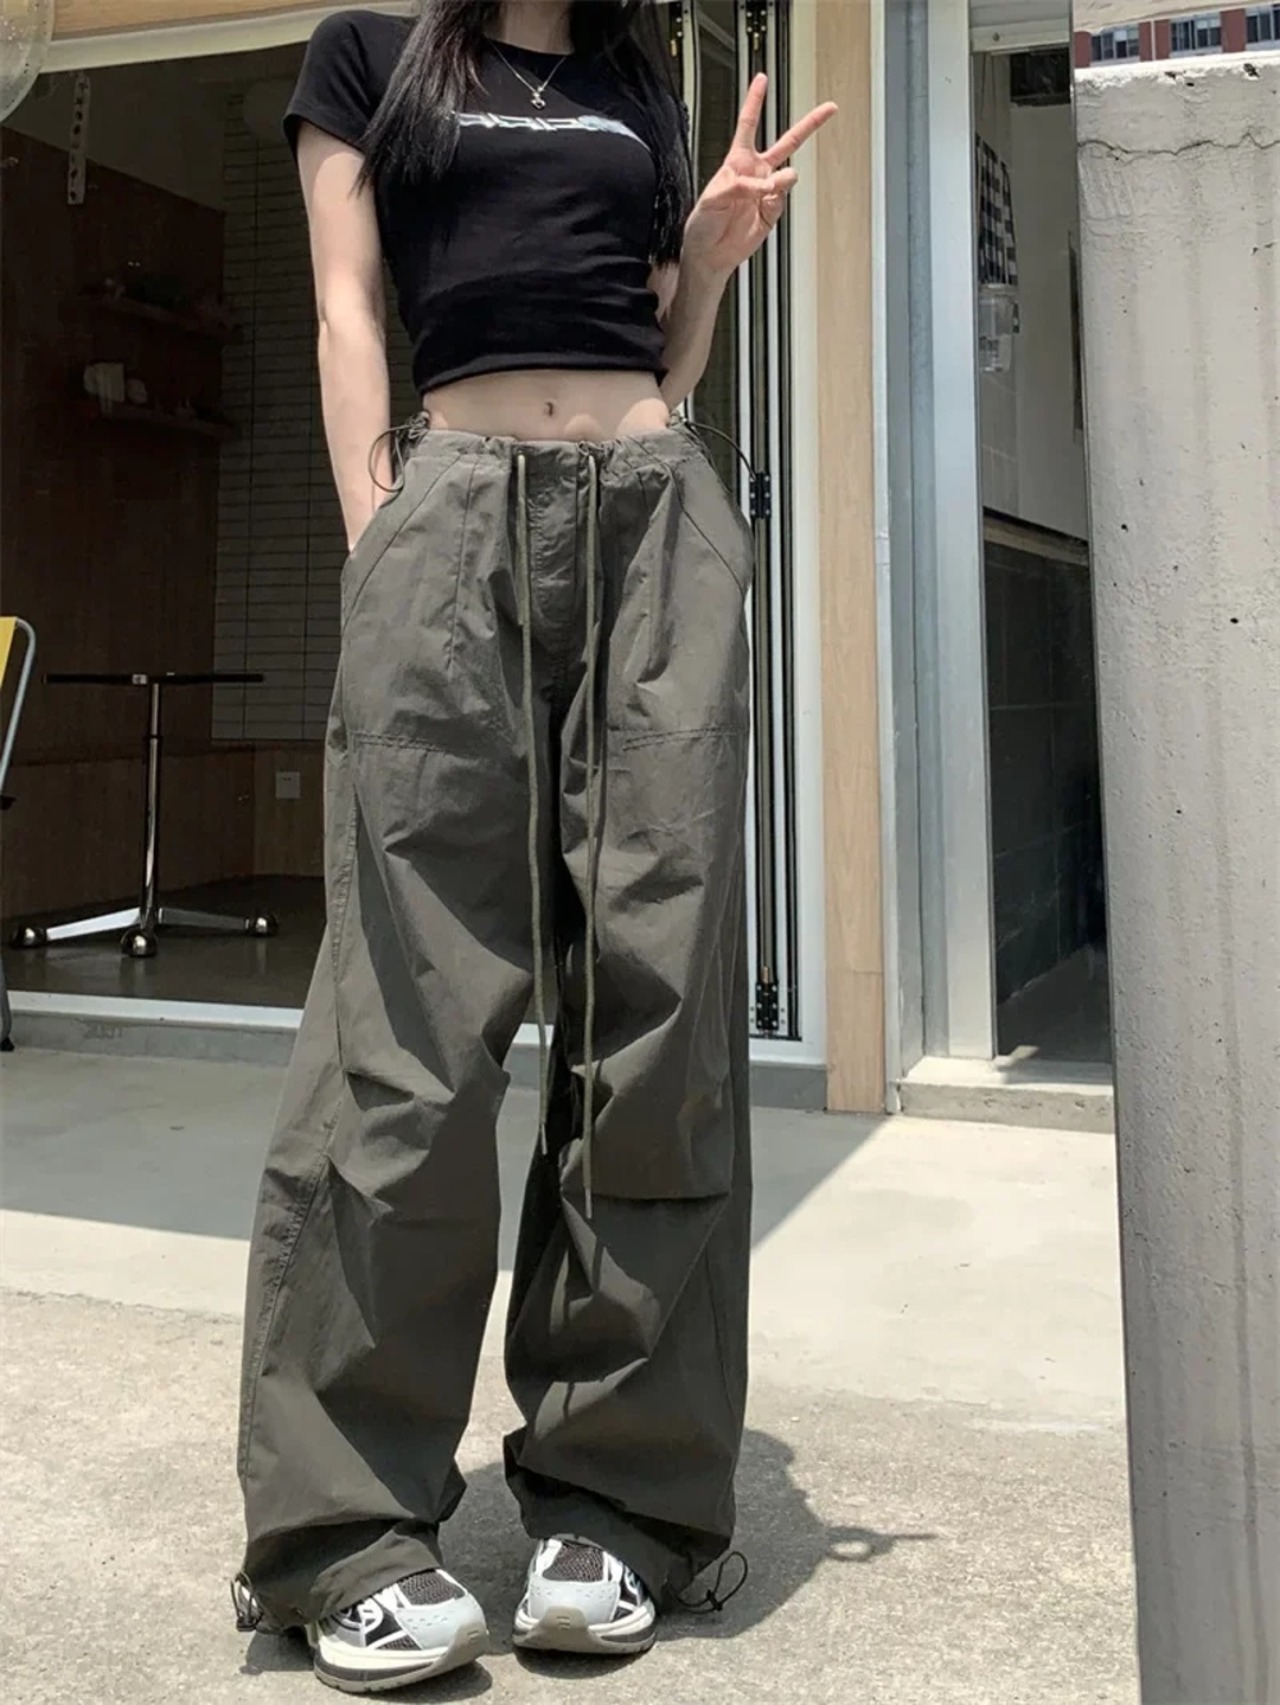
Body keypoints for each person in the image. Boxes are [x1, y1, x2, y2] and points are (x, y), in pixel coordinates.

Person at [232, 1, 834, 1691]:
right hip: (448, 521)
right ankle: (345, 1527)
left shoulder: (636, 78)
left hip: (651, 513)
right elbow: (348, 304)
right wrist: (380, 542)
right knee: (405, 1026)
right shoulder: (371, 57)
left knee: (657, 1015)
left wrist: (710, 258)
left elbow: (666, 358)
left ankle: (620, 1501)